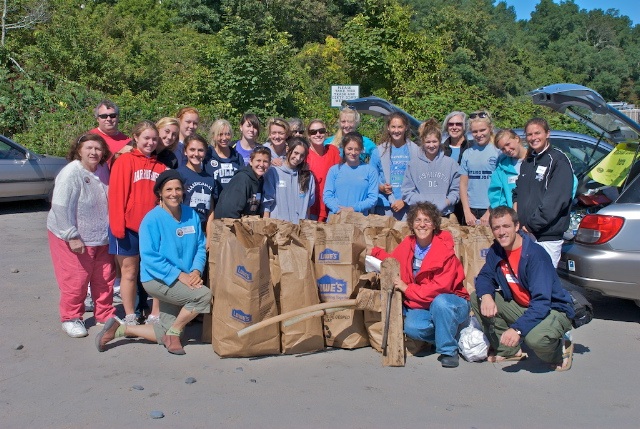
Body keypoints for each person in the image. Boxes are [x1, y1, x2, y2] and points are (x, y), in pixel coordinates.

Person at [96, 170, 211, 355]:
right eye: (169, 189)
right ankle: (174, 333)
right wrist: (180, 275)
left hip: (185, 277)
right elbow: (150, 257)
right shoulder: (152, 220)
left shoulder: (191, 215)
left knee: (162, 330)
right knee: (203, 296)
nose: (174, 193)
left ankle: (120, 329)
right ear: (160, 193)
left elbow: (199, 245)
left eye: (178, 189)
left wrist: (196, 271)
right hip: (158, 279)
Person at [472, 206, 575, 371]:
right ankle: (509, 350)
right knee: (477, 297)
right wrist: (486, 296)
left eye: (506, 226)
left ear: (517, 226)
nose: (501, 232)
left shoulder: (535, 255)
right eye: (496, 227)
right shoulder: (496, 250)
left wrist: (517, 329)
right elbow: (485, 276)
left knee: (535, 339)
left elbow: (542, 302)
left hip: (552, 309)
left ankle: (560, 349)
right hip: (525, 306)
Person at [370, 202, 469, 368]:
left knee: (440, 303)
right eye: (417, 220)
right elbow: (393, 261)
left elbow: (439, 289)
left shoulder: (444, 249)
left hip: (451, 302)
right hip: (423, 304)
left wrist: (407, 288)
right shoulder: (408, 244)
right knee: (412, 328)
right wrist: (374, 252)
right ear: (411, 223)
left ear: (434, 224)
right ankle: (449, 334)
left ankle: (448, 350)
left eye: (427, 220)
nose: (422, 224)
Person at [48, 133, 116, 338]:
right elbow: (59, 205)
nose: (94, 152)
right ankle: (71, 318)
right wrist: (71, 235)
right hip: (74, 236)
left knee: (104, 279)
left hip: (100, 236)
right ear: (79, 150)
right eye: (89, 148)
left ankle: (104, 314)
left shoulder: (103, 169)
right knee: (75, 280)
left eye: (98, 148)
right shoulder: (71, 172)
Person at [108, 121, 167, 326]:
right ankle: (130, 314)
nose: (150, 142)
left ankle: (155, 314)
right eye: (146, 138)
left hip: (152, 230)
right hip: (127, 228)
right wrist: (118, 227)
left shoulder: (161, 167)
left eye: (154, 139)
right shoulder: (125, 161)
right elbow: (116, 195)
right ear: (135, 137)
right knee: (129, 273)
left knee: (155, 272)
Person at [513, 118, 574, 268]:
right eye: (529, 134)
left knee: (544, 282)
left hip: (546, 236)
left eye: (537, 133)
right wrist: (516, 217)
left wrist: (532, 225)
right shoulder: (527, 162)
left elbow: (555, 201)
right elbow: (518, 192)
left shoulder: (558, 160)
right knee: (527, 281)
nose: (533, 138)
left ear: (547, 133)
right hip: (525, 234)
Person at [402, 119, 460, 216]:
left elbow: (456, 191)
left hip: (444, 214)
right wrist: (423, 204)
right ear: (422, 142)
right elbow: (407, 192)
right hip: (420, 215)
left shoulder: (451, 164)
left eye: (434, 141)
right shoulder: (412, 165)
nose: (431, 145)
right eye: (428, 142)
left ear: (440, 141)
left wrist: (445, 202)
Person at [369, 112, 418, 220]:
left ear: (406, 128)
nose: (396, 131)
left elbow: (419, 180)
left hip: (409, 206)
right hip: (385, 206)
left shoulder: (415, 151)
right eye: (393, 127)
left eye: (400, 127)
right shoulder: (378, 151)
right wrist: (381, 187)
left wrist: (404, 201)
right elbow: (371, 177)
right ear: (388, 128)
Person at [458, 111, 500, 226]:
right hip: (471, 210)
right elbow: (463, 185)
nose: (479, 134)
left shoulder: (498, 152)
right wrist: (466, 211)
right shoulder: (467, 153)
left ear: (490, 128)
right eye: (475, 131)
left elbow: (501, 186)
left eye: (482, 130)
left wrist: (489, 211)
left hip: (492, 209)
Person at [323, 132, 378, 216]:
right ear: (344, 148)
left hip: (359, 219)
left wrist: (354, 209)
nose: (353, 152)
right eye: (349, 149)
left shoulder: (370, 171)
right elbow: (327, 196)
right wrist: (337, 209)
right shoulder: (334, 170)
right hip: (336, 218)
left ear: (361, 149)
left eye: (357, 149)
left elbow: (372, 198)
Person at [263, 137, 315, 223]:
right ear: (287, 149)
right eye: (295, 153)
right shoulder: (274, 171)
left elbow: (308, 205)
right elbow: (267, 203)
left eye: (302, 155)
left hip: (299, 227)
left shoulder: (307, 176)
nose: (298, 158)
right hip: (278, 226)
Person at [214, 147, 271, 219]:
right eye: (258, 160)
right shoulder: (242, 179)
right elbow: (230, 212)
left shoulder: (260, 181)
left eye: (265, 161)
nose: (262, 164)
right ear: (251, 161)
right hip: (229, 225)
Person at [177, 134, 219, 232]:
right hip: (183, 227)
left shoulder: (209, 179)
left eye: (200, 150)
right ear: (185, 151)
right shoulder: (179, 174)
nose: (196, 154)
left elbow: (210, 211)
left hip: (202, 230)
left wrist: (209, 237)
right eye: (192, 149)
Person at [305, 119, 340, 222]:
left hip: (331, 207)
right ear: (308, 135)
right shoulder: (304, 154)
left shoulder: (332, 151)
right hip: (311, 208)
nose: (318, 134)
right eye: (313, 132)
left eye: (321, 131)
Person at [90, 100, 130, 184]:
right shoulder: (89, 138)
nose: (109, 119)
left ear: (118, 117)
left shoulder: (128, 142)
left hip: (118, 185)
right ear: (97, 119)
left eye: (112, 115)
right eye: (104, 116)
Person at [488, 129, 527, 208]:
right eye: (503, 149)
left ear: (517, 139)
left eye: (508, 144)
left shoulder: (535, 159)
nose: (507, 150)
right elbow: (496, 195)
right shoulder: (502, 168)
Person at [205, 119, 244, 191]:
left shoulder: (237, 157)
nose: (224, 138)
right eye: (220, 134)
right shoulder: (207, 156)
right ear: (213, 136)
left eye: (227, 134)